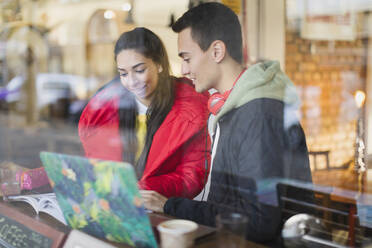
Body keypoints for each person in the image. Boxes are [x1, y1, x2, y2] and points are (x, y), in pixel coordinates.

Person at [140, 2, 312, 245]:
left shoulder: (259, 115)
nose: (184, 69)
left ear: (217, 51)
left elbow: (258, 221)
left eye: (187, 58)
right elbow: (228, 201)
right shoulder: (227, 107)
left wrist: (169, 205)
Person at [78, 27, 210, 199]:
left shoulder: (191, 112)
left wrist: (137, 188)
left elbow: (192, 176)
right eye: (123, 74)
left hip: (162, 211)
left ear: (159, 64)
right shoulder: (105, 111)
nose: (131, 82)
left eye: (139, 70)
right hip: (115, 204)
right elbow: (95, 165)